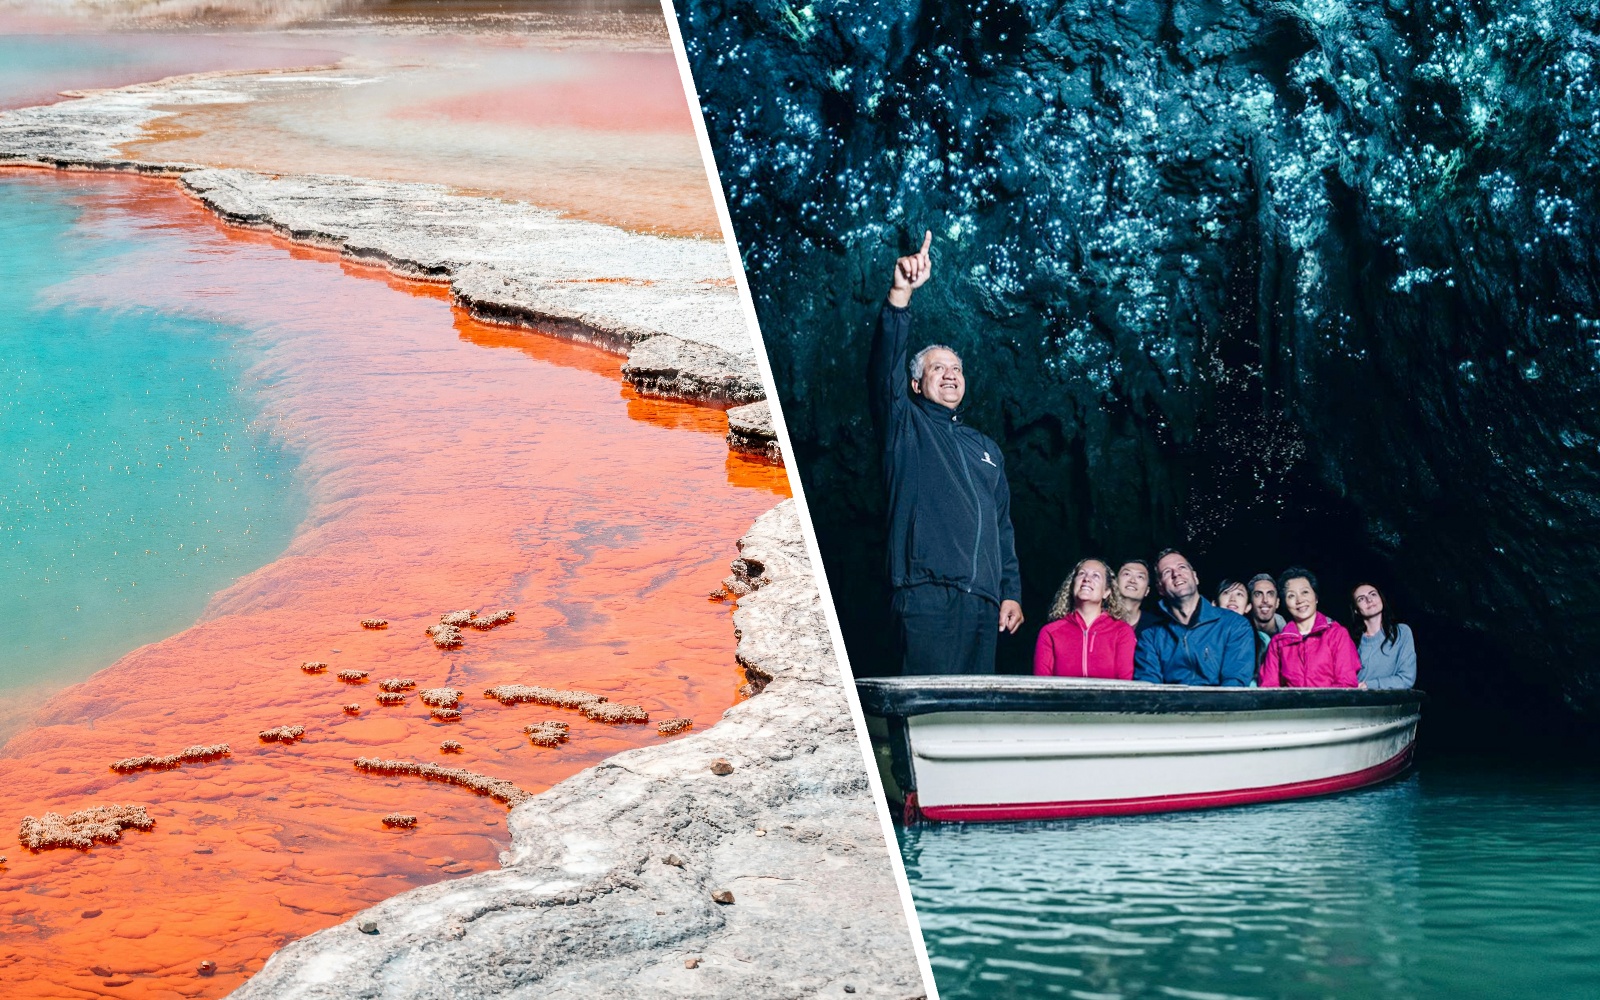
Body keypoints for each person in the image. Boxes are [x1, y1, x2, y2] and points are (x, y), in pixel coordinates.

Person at [869, 231, 1023, 674]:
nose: (951, 374)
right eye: (938, 368)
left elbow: (1002, 527)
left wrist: (1010, 590)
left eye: (956, 368)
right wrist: (901, 294)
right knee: (926, 709)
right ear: (917, 383)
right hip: (925, 595)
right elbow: (884, 371)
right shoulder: (906, 425)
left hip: (983, 604)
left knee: (970, 716)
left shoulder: (986, 448)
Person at [1132, 549, 1255, 686]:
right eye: (1167, 572)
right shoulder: (1151, 637)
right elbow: (1149, 688)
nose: (1176, 574)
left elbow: (1234, 684)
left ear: (1195, 577)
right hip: (1171, 706)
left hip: (1222, 705)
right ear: (1160, 588)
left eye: (1182, 567)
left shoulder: (1234, 625)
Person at [1034, 558, 1136, 679]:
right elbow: (1042, 685)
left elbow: (1125, 684)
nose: (1087, 579)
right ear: (1072, 586)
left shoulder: (1122, 631)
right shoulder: (1050, 632)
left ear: (1106, 592)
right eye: (1082, 574)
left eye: (1096, 576)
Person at [1259, 568, 1361, 688]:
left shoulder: (1337, 634)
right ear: (1285, 603)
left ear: (1316, 598)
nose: (1299, 600)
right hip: (1293, 706)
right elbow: (1269, 687)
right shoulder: (1278, 643)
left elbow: (1346, 683)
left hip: (1332, 705)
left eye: (1305, 592)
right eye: (1291, 595)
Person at [1350, 582, 1417, 689]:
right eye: (1361, 599)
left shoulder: (1401, 632)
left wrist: (1369, 685)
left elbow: (1406, 679)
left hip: (1388, 702)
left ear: (1381, 599)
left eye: (1373, 594)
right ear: (1356, 610)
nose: (1369, 600)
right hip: (1356, 701)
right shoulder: (1351, 642)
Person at [1246, 572, 1285, 669]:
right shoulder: (1240, 635)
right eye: (1258, 594)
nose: (1265, 600)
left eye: (1270, 594)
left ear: (1277, 602)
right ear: (1250, 602)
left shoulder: (1290, 636)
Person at [1114, 559, 1154, 631]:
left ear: (1147, 591)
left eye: (1140, 577)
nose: (1132, 581)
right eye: (1127, 574)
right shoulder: (1098, 619)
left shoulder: (1155, 627)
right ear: (1115, 583)